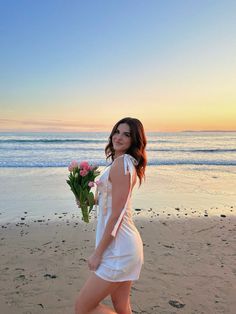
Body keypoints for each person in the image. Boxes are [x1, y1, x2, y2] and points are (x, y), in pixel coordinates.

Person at [75, 117, 147, 314]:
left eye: (127, 134)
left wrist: (98, 253)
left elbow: (117, 214)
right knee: (122, 307)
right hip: (122, 246)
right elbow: (112, 201)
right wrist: (90, 201)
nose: (119, 137)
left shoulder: (122, 164)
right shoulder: (122, 163)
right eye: (117, 131)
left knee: (83, 308)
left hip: (119, 249)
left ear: (135, 140)